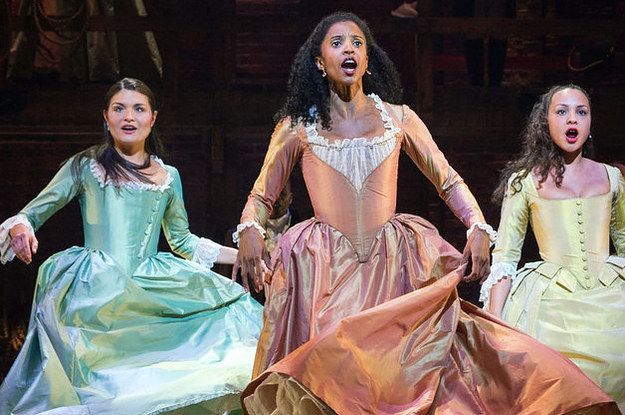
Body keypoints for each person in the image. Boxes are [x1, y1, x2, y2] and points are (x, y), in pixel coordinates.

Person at [233, 12, 616, 414]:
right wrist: (249, 228)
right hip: (326, 269)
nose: (349, 48)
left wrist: (478, 227)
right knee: (336, 374)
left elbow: (447, 180)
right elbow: (261, 195)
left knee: (405, 376)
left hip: (394, 265)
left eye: (358, 42)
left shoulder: (399, 119)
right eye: (338, 42)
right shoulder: (296, 127)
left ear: (367, 58)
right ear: (319, 61)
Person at [0, 78, 262, 415]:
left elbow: (183, 241)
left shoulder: (168, 176)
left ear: (152, 118)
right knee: (103, 387)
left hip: (150, 285)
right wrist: (22, 226)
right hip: (97, 291)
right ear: (106, 117)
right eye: (119, 108)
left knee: (227, 321)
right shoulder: (85, 166)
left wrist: (244, 254)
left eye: (138, 109)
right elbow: (34, 211)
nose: (129, 117)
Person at [483, 84, 625, 409]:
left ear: (590, 123)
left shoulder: (612, 178)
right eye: (561, 111)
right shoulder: (524, 183)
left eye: (581, 111)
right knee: (558, 377)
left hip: (611, 294)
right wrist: (494, 323)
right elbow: (505, 257)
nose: (571, 119)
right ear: (545, 122)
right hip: (550, 301)